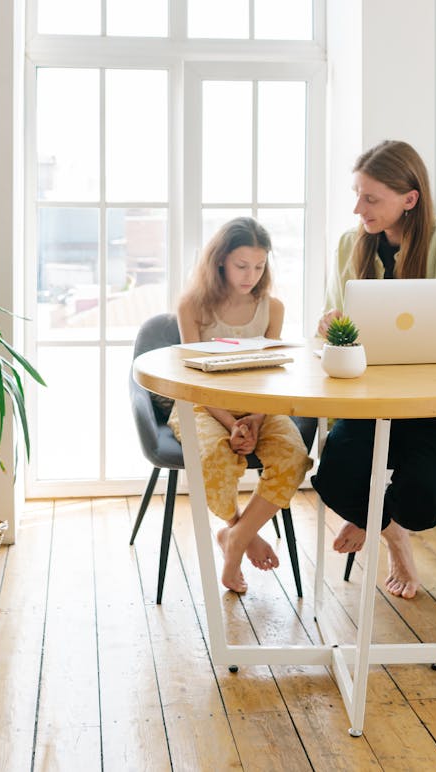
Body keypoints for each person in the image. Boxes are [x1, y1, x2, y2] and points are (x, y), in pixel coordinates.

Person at [311, 140, 436, 600]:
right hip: (369, 402)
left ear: (409, 199)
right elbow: (333, 327)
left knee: (422, 503)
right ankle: (393, 538)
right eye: (357, 194)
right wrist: (330, 326)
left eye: (370, 198)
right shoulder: (350, 245)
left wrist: (423, 328)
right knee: (335, 479)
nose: (357, 208)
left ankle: (391, 523)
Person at [171, 217, 313, 595]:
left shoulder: (272, 308)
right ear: (220, 261)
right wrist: (230, 421)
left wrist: (255, 416)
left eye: (259, 266)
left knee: (293, 456)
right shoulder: (193, 306)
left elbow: (271, 372)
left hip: (260, 406)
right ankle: (245, 535)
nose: (251, 275)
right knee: (214, 460)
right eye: (241, 265)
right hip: (202, 405)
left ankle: (234, 538)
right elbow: (193, 380)